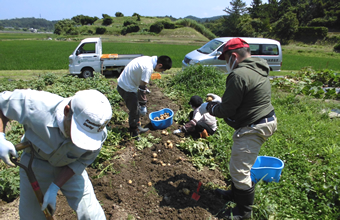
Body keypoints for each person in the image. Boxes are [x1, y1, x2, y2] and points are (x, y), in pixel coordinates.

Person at [0, 89, 112, 220]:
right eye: (77, 131)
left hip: (68, 166)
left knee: (91, 214)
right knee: (31, 216)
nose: (74, 140)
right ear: (66, 111)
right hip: (34, 161)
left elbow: (80, 162)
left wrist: (54, 187)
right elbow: (1, 105)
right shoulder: (35, 105)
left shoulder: (97, 135)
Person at [200, 38, 277, 219]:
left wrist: (209, 107)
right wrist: (222, 101)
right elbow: (243, 98)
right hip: (264, 119)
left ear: (233, 56)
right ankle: (235, 194)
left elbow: (226, 110)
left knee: (239, 169)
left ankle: (243, 213)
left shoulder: (239, 74)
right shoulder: (257, 68)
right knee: (239, 163)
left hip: (255, 125)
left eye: (226, 59)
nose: (227, 64)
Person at [117, 55, 172, 141]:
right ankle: (133, 131)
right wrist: (143, 105)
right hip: (126, 88)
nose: (161, 72)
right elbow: (142, 88)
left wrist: (144, 90)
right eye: (162, 70)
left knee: (136, 107)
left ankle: (138, 126)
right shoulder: (148, 68)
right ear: (160, 65)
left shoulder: (148, 59)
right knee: (134, 110)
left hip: (128, 83)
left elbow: (142, 85)